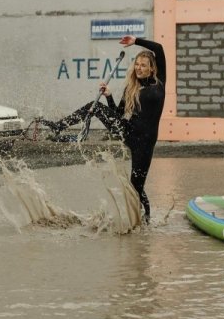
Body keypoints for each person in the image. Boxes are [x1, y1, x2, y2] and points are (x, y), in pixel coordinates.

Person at [39, 35, 166, 223]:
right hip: (127, 131)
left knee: (136, 186)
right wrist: (108, 96)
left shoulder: (160, 83)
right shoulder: (131, 88)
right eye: (137, 64)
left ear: (151, 68)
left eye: (143, 65)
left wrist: (136, 41)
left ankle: (146, 220)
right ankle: (59, 126)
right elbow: (118, 113)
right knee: (96, 106)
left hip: (145, 143)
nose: (139, 68)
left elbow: (160, 48)